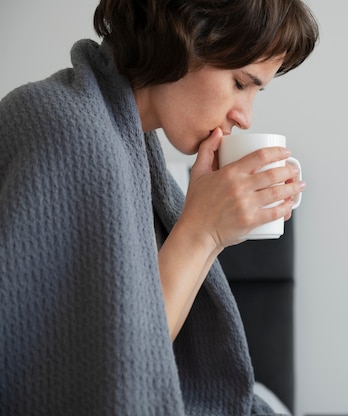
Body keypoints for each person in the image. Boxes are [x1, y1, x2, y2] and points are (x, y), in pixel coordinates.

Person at [0, 0, 318, 414]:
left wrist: (212, 231)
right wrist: (202, 232)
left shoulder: (129, 144)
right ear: (187, 35)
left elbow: (147, 343)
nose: (245, 116)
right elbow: (109, 377)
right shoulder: (61, 129)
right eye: (241, 83)